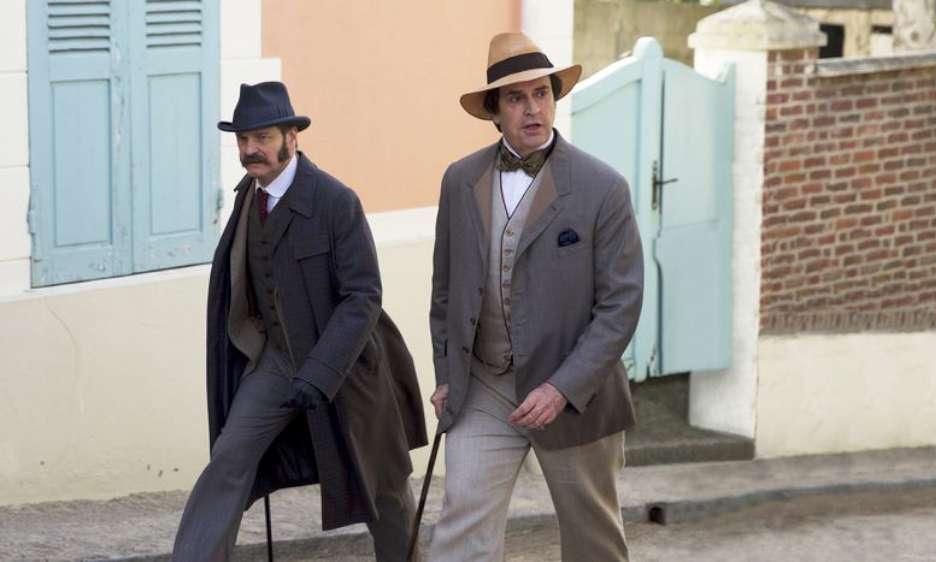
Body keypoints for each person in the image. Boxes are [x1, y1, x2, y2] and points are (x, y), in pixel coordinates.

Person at [172, 81, 426, 562]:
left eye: (263, 137)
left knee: (383, 486)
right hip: (275, 362)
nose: (251, 149)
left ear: (292, 137)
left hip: (348, 367)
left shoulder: (335, 201)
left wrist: (321, 372)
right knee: (229, 458)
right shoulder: (248, 197)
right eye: (243, 139)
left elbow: (362, 297)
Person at [427, 32, 644, 561]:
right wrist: (446, 374)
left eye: (541, 93)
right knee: (461, 524)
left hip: (573, 393)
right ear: (494, 111)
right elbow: (445, 289)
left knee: (593, 541)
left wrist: (561, 388)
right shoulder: (460, 180)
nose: (532, 108)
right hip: (484, 385)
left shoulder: (602, 187)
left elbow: (620, 306)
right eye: (516, 98)